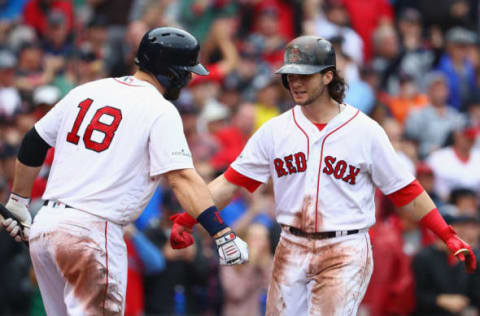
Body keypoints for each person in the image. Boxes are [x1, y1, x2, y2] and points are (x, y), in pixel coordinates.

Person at [169, 35, 477, 315]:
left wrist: (447, 235)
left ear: (328, 76)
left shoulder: (365, 130)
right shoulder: (276, 130)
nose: (295, 82)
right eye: (290, 75)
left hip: (345, 247)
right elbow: (230, 182)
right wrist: (188, 218)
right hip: (291, 243)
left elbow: (406, 190)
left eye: (305, 74)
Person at [0, 27, 248, 316]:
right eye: (187, 70)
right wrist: (221, 232)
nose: (190, 78)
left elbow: (33, 142)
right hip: (92, 232)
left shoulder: (88, 90)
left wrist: (18, 201)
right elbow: (181, 177)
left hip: (47, 226)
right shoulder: (160, 109)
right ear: (171, 72)